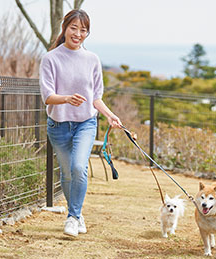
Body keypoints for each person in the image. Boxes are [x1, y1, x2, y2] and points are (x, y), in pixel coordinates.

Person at [39, 9, 122, 237]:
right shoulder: (50, 58)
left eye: (83, 30)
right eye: (74, 28)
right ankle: (77, 213)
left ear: (87, 33)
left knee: (78, 168)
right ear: (65, 28)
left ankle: (73, 217)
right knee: (67, 174)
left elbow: (96, 97)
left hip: (86, 123)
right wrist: (66, 98)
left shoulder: (92, 59)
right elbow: (47, 96)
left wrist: (109, 115)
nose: (78, 34)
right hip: (58, 125)